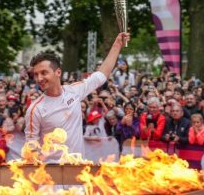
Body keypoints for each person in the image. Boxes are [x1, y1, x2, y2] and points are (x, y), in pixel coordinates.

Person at [24, 32, 129, 162]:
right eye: (36, 74)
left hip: (78, 171)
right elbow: (31, 146)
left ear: (58, 72)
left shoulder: (73, 91)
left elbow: (101, 75)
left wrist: (117, 45)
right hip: (50, 175)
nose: (39, 78)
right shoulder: (35, 109)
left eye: (44, 73)